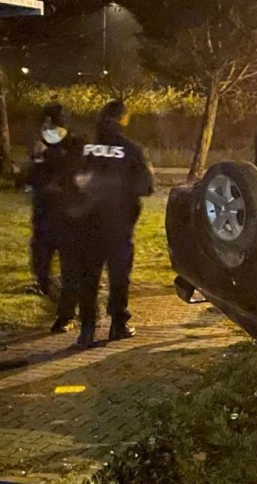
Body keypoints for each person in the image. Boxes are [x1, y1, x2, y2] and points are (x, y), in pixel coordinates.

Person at [68, 100, 154, 348]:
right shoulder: (132, 150)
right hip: (118, 226)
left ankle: (87, 329)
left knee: (88, 277)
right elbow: (147, 187)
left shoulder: (83, 148)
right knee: (118, 277)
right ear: (123, 120)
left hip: (85, 225)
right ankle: (118, 324)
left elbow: (68, 181)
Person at [25, 104, 72, 299]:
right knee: (59, 252)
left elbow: (34, 175)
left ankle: (48, 286)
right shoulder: (71, 141)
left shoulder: (45, 145)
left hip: (49, 208)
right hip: (62, 209)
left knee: (43, 251)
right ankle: (58, 288)